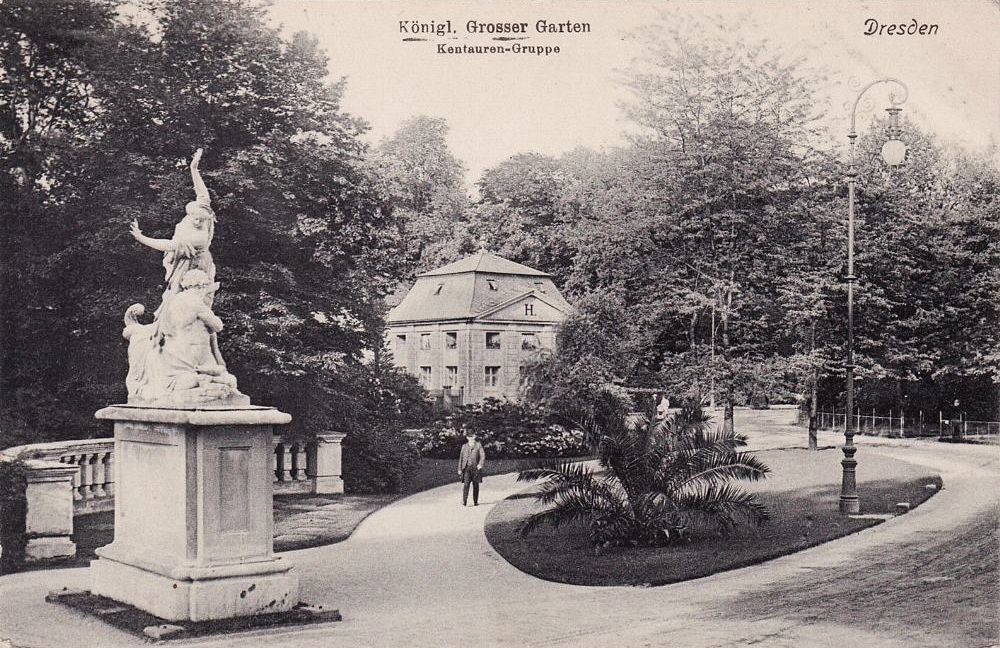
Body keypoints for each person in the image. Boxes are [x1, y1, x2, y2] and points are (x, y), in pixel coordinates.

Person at [130, 148, 217, 306]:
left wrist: (141, 238)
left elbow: (168, 245)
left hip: (194, 264)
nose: (198, 221)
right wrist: (193, 169)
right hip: (184, 260)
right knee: (175, 299)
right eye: (195, 218)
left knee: (186, 297)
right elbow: (202, 193)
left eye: (201, 220)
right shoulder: (196, 214)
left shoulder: (199, 237)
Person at [457, 430, 486, 506]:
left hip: (475, 468)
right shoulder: (464, 446)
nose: (471, 438)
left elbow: (482, 456)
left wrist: (480, 464)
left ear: (474, 437)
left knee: (475, 484)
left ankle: (475, 501)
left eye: (472, 436)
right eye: (469, 437)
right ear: (467, 438)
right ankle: (464, 501)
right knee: (466, 484)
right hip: (466, 468)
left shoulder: (478, 445)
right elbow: (461, 458)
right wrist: (459, 469)